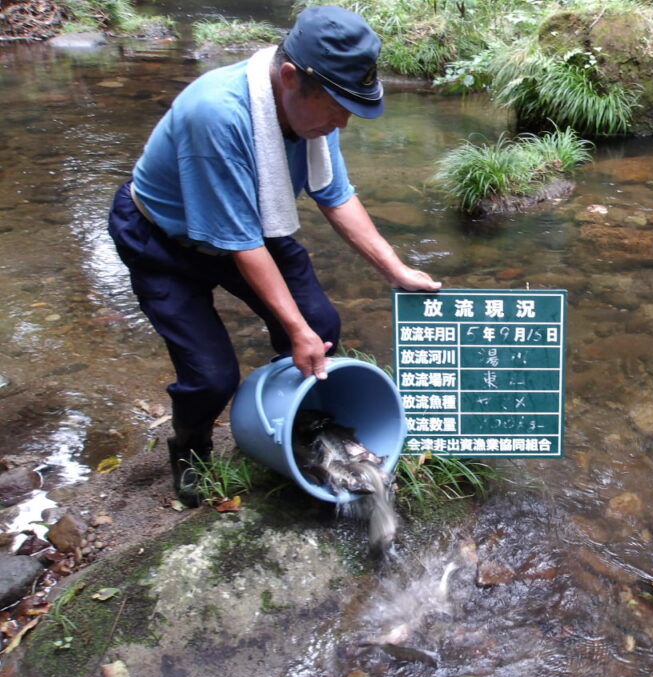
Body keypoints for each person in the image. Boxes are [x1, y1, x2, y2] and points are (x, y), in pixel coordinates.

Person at [107, 6, 440, 507]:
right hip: (162, 240)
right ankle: (190, 451)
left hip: (253, 219)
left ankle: (293, 421)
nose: (342, 123)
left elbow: (337, 196)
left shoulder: (312, 116)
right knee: (210, 376)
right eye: (337, 108)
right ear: (290, 78)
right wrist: (295, 332)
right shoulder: (217, 114)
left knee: (320, 325)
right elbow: (242, 245)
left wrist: (395, 270)